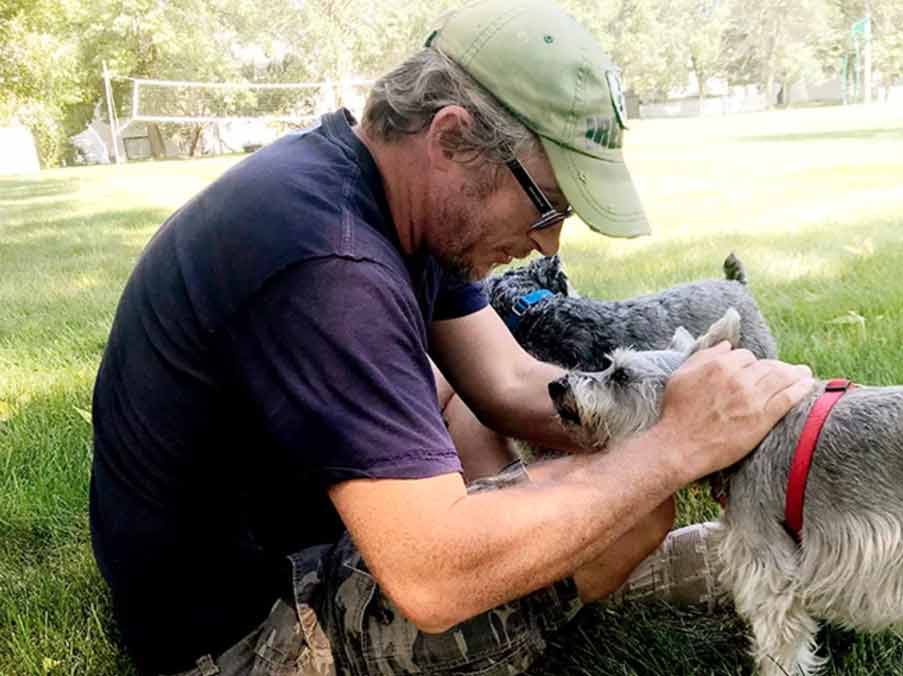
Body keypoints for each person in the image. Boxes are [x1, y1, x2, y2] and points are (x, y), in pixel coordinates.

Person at [88, 1, 815, 674]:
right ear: (453, 137)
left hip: (306, 530)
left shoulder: (390, 202)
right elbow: (432, 577)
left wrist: (675, 414)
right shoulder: (329, 266)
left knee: (593, 482)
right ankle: (590, 584)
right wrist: (673, 449)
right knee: (630, 506)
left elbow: (505, 385)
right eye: (545, 205)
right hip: (235, 629)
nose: (550, 244)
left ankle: (571, 570)